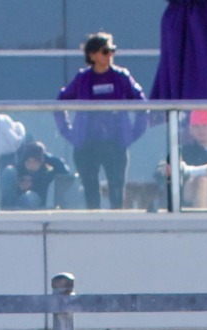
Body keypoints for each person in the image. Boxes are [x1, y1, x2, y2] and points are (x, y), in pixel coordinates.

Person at [56, 32, 148, 210]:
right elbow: (60, 103)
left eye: (112, 51)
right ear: (92, 55)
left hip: (115, 144)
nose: (109, 55)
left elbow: (142, 104)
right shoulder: (82, 79)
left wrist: (132, 134)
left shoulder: (121, 77)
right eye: (105, 51)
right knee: (90, 190)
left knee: (116, 190)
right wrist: (69, 133)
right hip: (87, 145)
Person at [8, 141, 73, 210]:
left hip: (41, 200)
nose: (31, 165)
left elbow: (67, 176)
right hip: (18, 199)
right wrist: (19, 186)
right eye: (28, 162)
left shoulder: (51, 166)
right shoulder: (20, 167)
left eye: (34, 162)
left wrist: (34, 182)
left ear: (41, 161)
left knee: (29, 197)